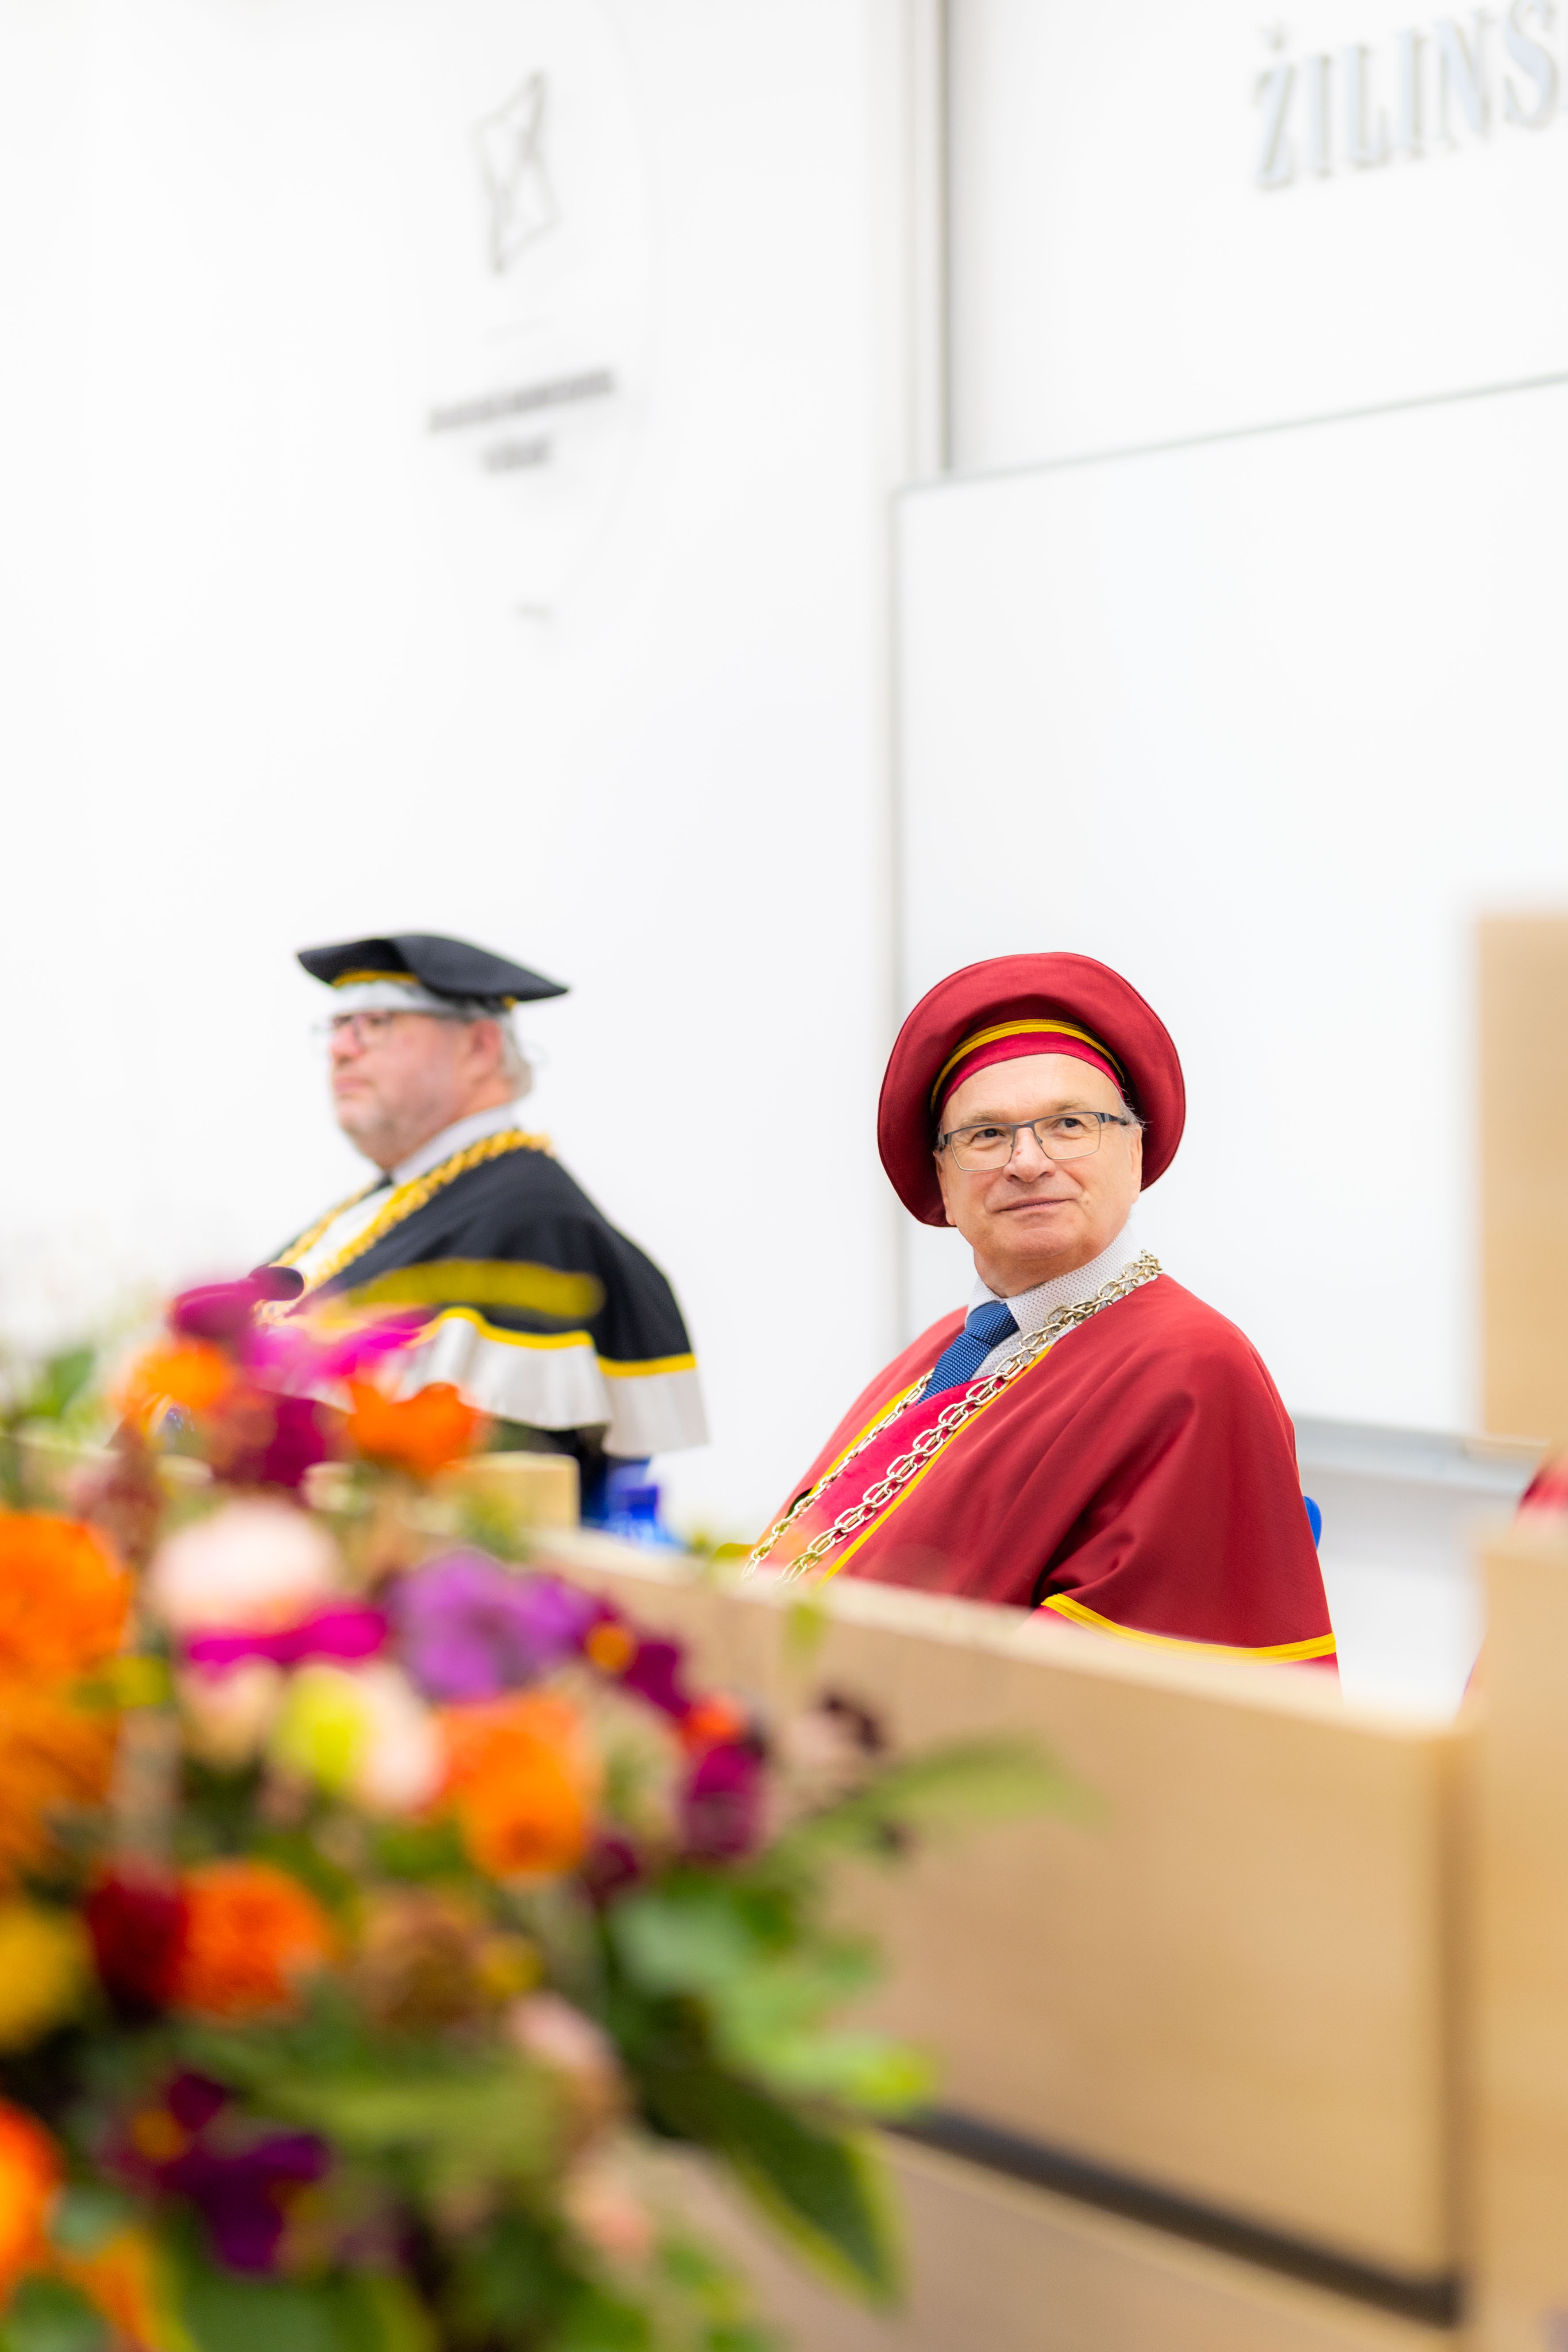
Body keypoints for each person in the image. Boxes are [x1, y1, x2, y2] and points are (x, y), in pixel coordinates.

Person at [751, 952, 1335, 1665]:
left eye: (1069, 1124)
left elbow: (1109, 1684)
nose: (1026, 1162)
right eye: (985, 1135)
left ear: (1134, 1152)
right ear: (942, 1177)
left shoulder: (1191, 1364)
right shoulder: (947, 1349)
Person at [271, 932, 707, 1509]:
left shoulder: (535, 1225)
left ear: (479, 1047)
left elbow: (490, 1505)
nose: (341, 1049)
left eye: (376, 1023)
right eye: (337, 1026)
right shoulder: (375, 1209)